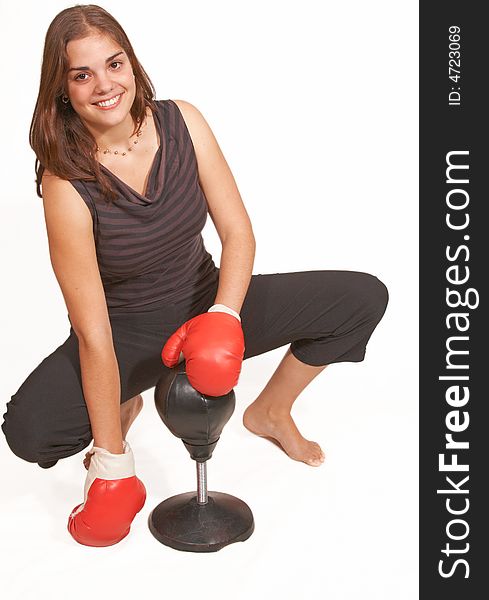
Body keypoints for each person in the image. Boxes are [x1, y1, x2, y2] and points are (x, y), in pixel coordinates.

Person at [2, 5, 388, 546]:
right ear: (63, 89)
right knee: (29, 432)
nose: (105, 85)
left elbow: (238, 233)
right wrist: (111, 463)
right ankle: (125, 400)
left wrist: (225, 316)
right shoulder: (66, 182)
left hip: (207, 297)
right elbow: (92, 332)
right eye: (82, 74)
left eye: (115, 65)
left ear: (132, 64)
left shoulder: (182, 119)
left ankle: (272, 412)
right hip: (127, 330)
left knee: (361, 297)